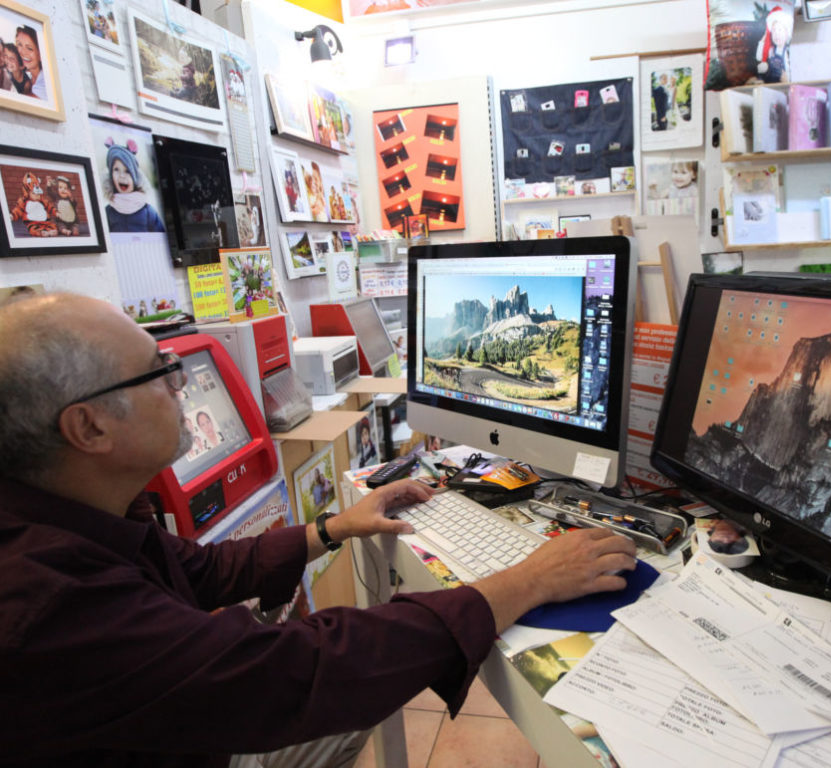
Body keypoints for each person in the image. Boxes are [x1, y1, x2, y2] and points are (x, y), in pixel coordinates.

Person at [0, 292, 637, 767]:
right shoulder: (45, 599)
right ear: (87, 429)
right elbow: (295, 671)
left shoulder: (75, 512)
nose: (180, 385)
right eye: (157, 372)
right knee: (354, 695)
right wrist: (526, 580)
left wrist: (332, 527)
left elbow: (199, 571)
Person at [102, 138, 166, 233]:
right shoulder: (108, 212)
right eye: (116, 170)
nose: (122, 176)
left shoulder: (148, 212)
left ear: (135, 177)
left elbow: (160, 236)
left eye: (127, 171)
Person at [15, 25, 45, 100]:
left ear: (41, 55)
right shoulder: (29, 80)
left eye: (29, 48)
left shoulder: (45, 81)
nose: (22, 52)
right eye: (19, 44)